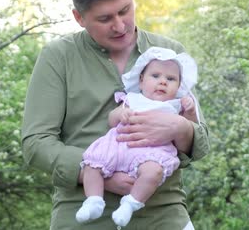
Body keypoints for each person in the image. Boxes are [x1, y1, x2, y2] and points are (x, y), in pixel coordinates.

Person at [21, 0, 209, 229]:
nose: (120, 26)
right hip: (82, 215)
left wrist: (180, 128)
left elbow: (200, 143)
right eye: (105, 18)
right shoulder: (57, 57)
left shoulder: (169, 52)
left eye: (125, 10)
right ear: (79, 17)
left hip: (163, 214)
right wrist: (94, 174)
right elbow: (35, 143)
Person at [76, 46, 200, 227]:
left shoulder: (176, 105)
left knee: (153, 173)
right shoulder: (132, 99)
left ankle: (130, 204)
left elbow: (192, 128)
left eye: (171, 79)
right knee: (92, 165)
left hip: (151, 152)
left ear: (179, 86)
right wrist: (121, 115)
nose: (163, 82)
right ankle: (93, 200)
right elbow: (112, 119)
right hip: (118, 145)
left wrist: (189, 111)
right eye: (156, 76)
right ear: (141, 81)